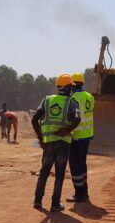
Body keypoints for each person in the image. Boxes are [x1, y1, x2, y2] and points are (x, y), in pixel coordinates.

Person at [31, 74, 81, 212]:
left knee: (44, 172)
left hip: (48, 144)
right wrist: (67, 130)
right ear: (69, 87)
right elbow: (77, 118)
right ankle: (55, 204)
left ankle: (37, 201)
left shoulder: (46, 100)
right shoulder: (71, 102)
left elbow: (34, 119)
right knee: (59, 175)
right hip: (63, 144)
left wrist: (41, 138)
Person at [68, 72, 95, 203]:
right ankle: (85, 192)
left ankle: (79, 195)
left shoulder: (74, 98)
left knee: (75, 165)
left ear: (72, 85)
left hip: (77, 136)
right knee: (82, 163)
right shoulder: (90, 96)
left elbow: (74, 117)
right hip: (88, 136)